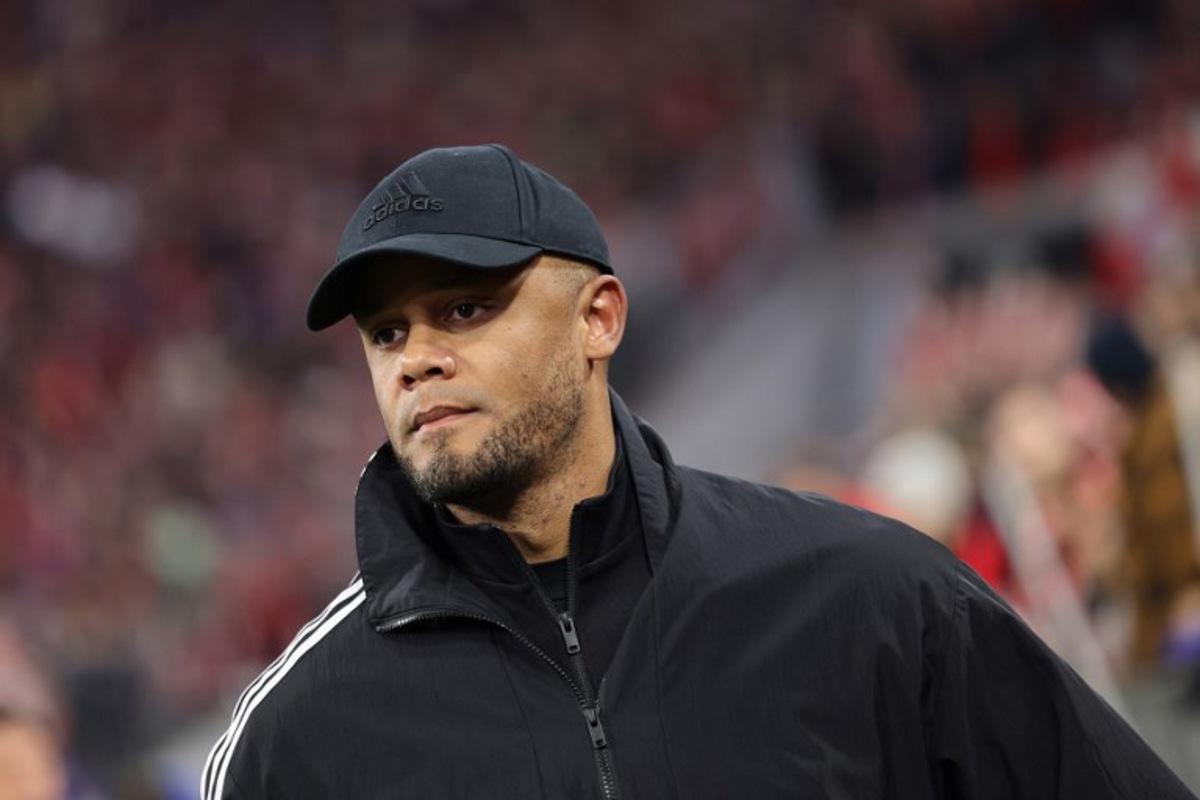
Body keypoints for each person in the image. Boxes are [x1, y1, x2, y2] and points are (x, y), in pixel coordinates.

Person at [202, 144, 1195, 799]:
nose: (415, 356)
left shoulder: (868, 595)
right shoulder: (299, 735)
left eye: (465, 308)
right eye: (385, 332)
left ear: (600, 317)